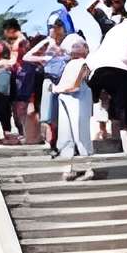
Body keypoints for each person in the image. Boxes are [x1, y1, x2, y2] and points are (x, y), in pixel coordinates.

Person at [91, 2, 127, 154]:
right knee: (125, 108)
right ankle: (126, 147)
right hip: (123, 71)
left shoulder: (116, 28)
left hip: (99, 69)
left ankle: (109, 138)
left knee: (106, 103)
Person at [55, 32, 96, 175]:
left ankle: (88, 167)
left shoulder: (84, 64)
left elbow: (75, 84)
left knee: (80, 132)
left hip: (78, 96)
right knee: (66, 133)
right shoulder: (70, 64)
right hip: (66, 96)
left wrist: (57, 89)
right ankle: (69, 167)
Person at [37, 14, 71, 151]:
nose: (54, 30)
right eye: (51, 27)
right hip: (50, 80)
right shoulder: (47, 43)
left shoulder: (67, 43)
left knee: (61, 114)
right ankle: (52, 143)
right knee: (49, 114)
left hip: (63, 82)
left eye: (56, 27)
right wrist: (41, 60)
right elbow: (29, 56)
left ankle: (58, 142)